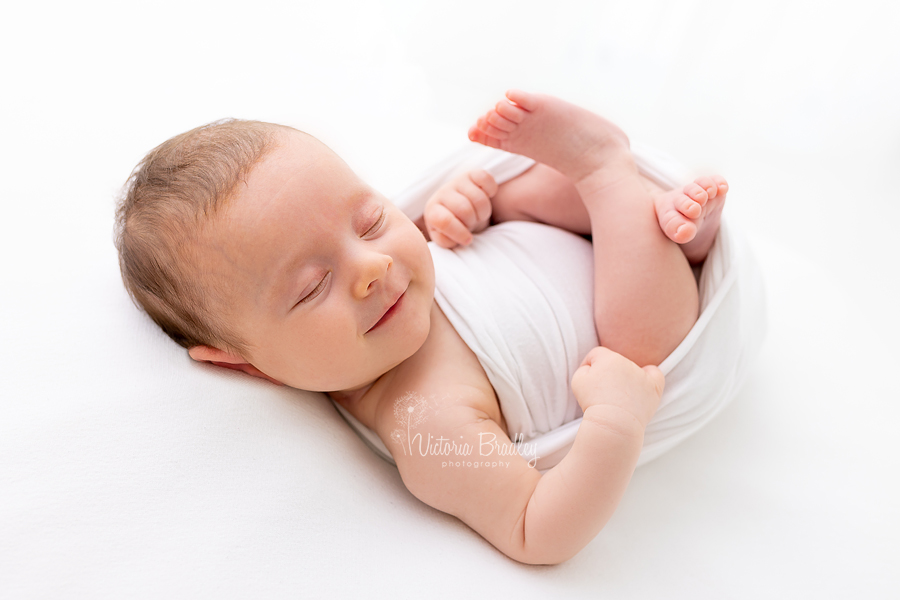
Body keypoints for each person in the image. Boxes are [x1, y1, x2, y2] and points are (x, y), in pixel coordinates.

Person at [114, 90, 728, 564]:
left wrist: (463, 211)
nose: (373, 268)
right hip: (624, 337)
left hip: (550, 238)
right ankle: (613, 182)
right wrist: (615, 422)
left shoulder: (404, 273)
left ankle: (662, 225)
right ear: (247, 363)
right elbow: (534, 528)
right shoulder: (423, 421)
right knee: (646, 342)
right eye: (311, 287)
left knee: (519, 193)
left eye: (370, 220)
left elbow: (439, 238)